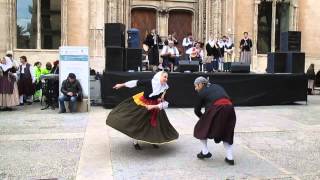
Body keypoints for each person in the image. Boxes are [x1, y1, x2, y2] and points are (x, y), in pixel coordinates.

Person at [106, 71, 179, 150]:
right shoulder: (150, 82)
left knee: (155, 124)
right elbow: (135, 83)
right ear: (159, 76)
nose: (166, 79)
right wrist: (122, 85)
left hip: (155, 106)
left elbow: (166, 104)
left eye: (167, 77)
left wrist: (154, 105)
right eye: (164, 77)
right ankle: (135, 142)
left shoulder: (165, 87)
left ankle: (154, 140)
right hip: (143, 103)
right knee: (138, 122)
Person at [193, 76, 236, 165]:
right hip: (230, 108)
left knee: (200, 128)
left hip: (217, 108)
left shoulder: (202, 92)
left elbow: (196, 110)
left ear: (201, 84)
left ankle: (205, 152)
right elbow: (227, 98)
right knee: (226, 132)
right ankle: (230, 157)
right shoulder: (217, 86)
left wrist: (203, 120)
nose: (195, 88)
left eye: (196, 86)